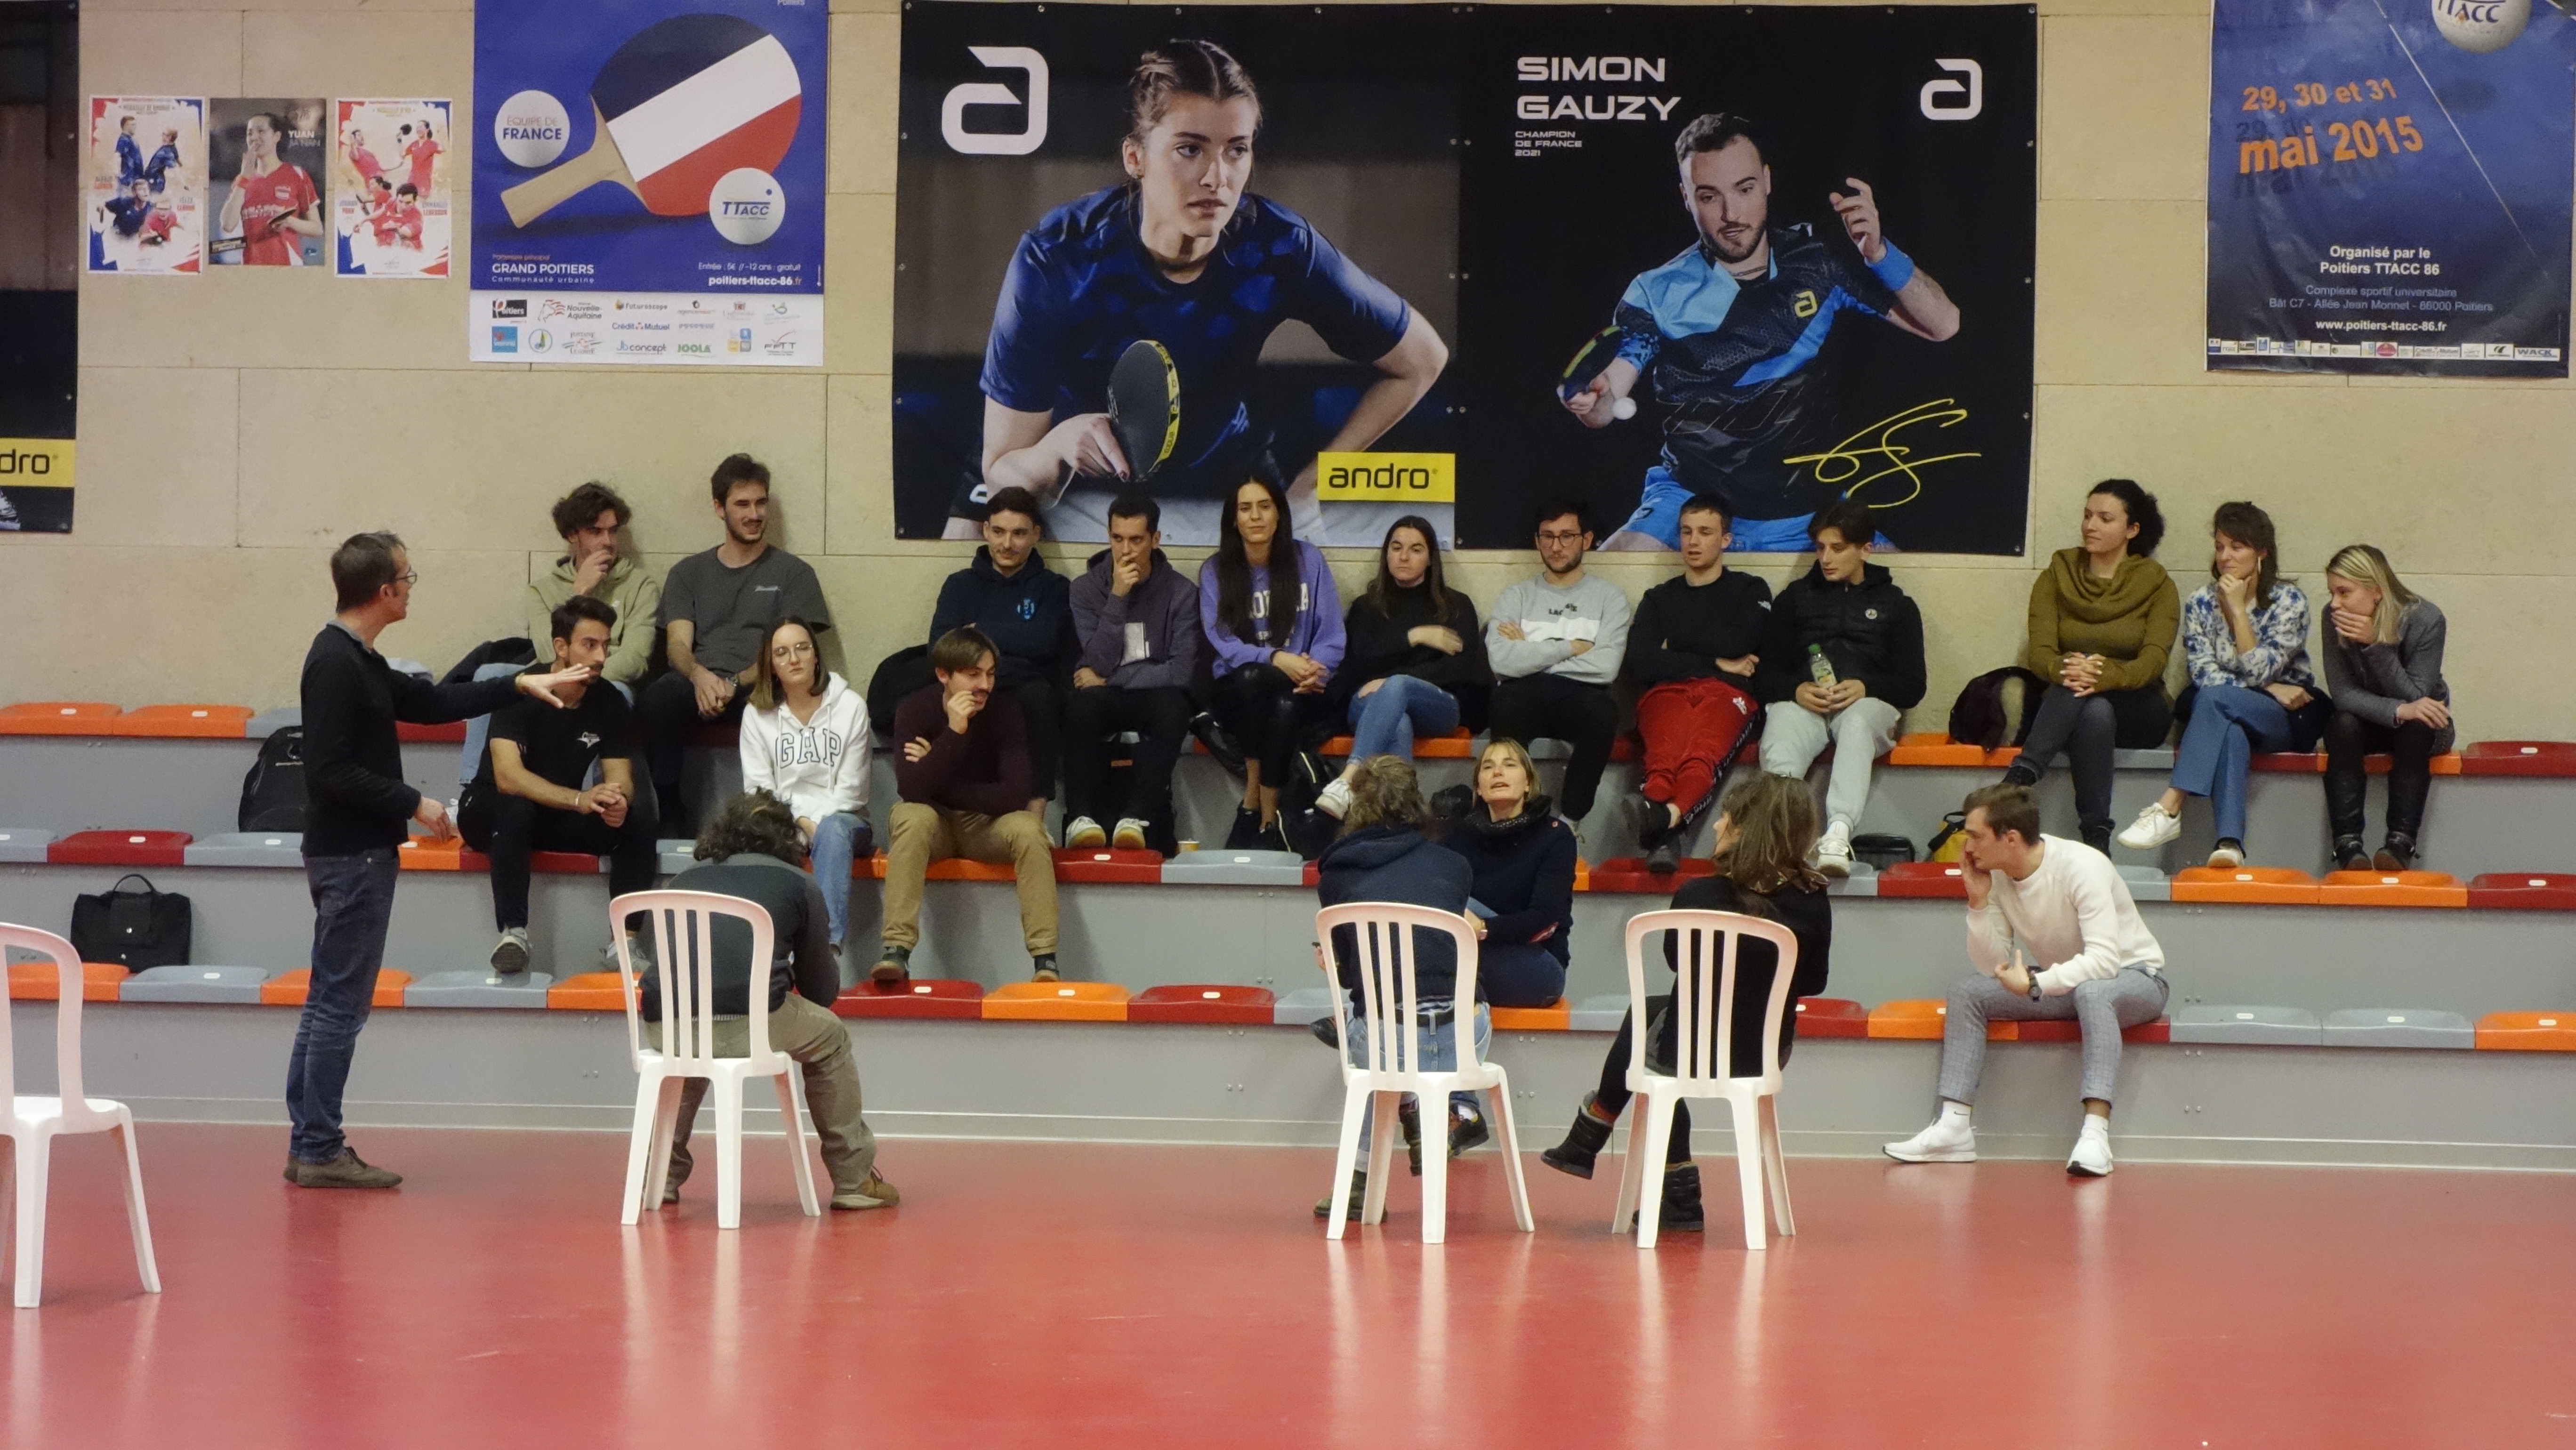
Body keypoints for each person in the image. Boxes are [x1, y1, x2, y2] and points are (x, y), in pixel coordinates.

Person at [968, 38, 1447, 545]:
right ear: (1135, 157)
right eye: (1190, 149)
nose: (1218, 177)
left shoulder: (1280, 247)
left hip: (1230, 482)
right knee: (969, 541)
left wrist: (1313, 486)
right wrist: (1058, 447)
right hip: (1080, 486)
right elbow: (1001, 473)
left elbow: (1422, 360)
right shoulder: (1058, 256)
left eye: (1237, 150)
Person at [290, 532, 586, 1188]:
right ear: (384, 590)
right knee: (340, 1006)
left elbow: (432, 702)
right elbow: (328, 770)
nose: (411, 585)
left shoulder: (358, 657)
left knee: (328, 1001)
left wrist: (523, 683)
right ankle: (318, 1148)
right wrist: (415, 802)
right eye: (407, 576)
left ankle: (308, 1141)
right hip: (351, 855)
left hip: (353, 853)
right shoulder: (335, 662)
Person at [1563, 112, 1961, 553]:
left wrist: (1880, 254)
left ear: (1767, 182)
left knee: (1902, 584)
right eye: (1709, 196)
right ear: (1686, 198)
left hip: (1810, 510)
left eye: (1745, 189)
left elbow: (1943, 325)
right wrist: (1593, 401)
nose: (1731, 214)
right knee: (1612, 576)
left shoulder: (1819, 263)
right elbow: (1605, 405)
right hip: (1691, 506)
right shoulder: (1656, 291)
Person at [1539, 772, 1832, 1232]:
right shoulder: (1813, 900)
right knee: (1650, 1016)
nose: (1715, 826)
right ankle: (1605, 1144)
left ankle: (1602, 1134)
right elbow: (1813, 982)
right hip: (1764, 1052)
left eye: (1725, 818)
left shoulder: (1699, 895)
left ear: (1744, 829)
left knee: (1648, 1035)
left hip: (1686, 1050)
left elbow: (1679, 962)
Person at [1884, 783, 2168, 1177]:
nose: (1967, 847)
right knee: (1968, 992)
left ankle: (2095, 1135)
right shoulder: (1998, 876)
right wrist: (1978, 902)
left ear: (2011, 839)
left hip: (2136, 977)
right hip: (2070, 984)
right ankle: (1953, 1128)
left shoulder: (2082, 866)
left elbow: (2105, 962)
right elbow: (1993, 966)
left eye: (1976, 836)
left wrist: (2036, 984)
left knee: (2093, 993)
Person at [650, 790, 896, 1212]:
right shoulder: (797, 883)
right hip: (752, 1021)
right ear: (787, 838)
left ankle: (661, 1177)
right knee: (831, 1036)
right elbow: (822, 993)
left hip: (665, 1026)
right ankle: (854, 1179)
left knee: (695, 1037)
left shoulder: (683, 879)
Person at [1312, 756, 1488, 1220]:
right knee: (1396, 1046)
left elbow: (1350, 977)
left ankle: (1361, 1177)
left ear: (1356, 804)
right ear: (1417, 801)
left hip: (1387, 1036)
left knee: (1377, 1047)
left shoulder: (1337, 872)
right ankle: (1441, 1114)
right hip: (1462, 1033)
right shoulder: (1454, 865)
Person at [2116, 502, 2328, 868]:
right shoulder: (2201, 602)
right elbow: (2204, 674)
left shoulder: (2288, 602)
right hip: (2241, 707)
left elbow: (2260, 669)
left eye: (2237, 547)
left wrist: (2238, 612)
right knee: (2228, 725)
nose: (2225, 557)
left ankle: (2170, 805)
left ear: (2262, 552)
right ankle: (2230, 844)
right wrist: (2269, 688)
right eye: (2220, 547)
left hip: (2281, 718)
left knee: (2217, 701)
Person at [458, 596, 661, 976]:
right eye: (590, 645)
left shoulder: (610, 701)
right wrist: (579, 798)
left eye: (606, 645)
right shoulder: (523, 690)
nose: (601, 656)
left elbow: (621, 777)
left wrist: (616, 801)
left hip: (556, 813)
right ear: (561, 647)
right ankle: (514, 934)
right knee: (516, 809)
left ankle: (623, 943)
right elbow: (508, 777)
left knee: (638, 820)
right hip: (490, 807)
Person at [644, 454, 832, 838]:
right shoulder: (688, 573)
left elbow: (795, 652)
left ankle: (777, 821)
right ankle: (670, 809)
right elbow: (677, 644)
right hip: (700, 684)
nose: (754, 514)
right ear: (720, 508)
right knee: (660, 697)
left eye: (761, 503)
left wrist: (733, 682)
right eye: (742, 504)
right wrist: (699, 676)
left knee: (789, 694)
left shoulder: (794, 573)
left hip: (762, 683)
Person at [1998, 480, 2179, 853]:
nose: (2090, 526)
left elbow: (2153, 660)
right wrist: (2067, 667)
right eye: (2087, 516)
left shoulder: (2157, 584)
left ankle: (2019, 779)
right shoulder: (2058, 573)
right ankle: (2097, 838)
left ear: (2132, 530)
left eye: (2105, 519)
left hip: (2139, 706)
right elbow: (2041, 653)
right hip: (2069, 702)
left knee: (2090, 698)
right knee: (2094, 710)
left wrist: (2105, 674)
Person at [876, 627, 1061, 985]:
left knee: (1029, 828)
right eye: (973, 674)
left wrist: (936, 770)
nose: (985, 685)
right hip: (936, 824)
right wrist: (955, 733)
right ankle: (896, 950)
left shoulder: (1006, 711)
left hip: (987, 826)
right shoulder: (914, 709)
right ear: (943, 675)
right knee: (911, 816)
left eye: (990, 674)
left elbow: (1014, 795)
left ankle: (1045, 959)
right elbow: (911, 789)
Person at [1752, 498, 1924, 875]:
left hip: (1867, 705)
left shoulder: (1897, 605)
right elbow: (1765, 676)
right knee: (1781, 726)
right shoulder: (1794, 599)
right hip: (1807, 704)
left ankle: (1838, 834)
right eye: (1820, 548)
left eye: (1838, 548)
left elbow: (1913, 686)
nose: (1826, 558)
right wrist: (1796, 690)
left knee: (1859, 722)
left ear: (1866, 549)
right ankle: (1779, 838)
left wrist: (1866, 687)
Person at [1625, 494, 1772, 873]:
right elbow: (1641, 660)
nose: (1693, 542)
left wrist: (1674, 648)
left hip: (1727, 694)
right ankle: (1667, 821)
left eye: (1705, 532)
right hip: (1667, 692)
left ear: (1726, 539)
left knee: (1700, 755)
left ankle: (1661, 821)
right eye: (1686, 532)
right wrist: (1714, 661)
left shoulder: (1751, 589)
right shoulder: (1659, 598)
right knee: (1663, 758)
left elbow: (1743, 641)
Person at [1198, 474, 1345, 850]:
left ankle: (1259, 815)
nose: (1255, 517)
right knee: (1252, 679)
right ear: (1234, 519)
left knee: (1284, 703)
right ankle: (1263, 807)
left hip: (1302, 686)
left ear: (1280, 514)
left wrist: (1314, 670)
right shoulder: (1215, 571)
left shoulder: (1308, 560)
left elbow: (1331, 636)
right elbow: (1225, 644)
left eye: (1265, 507)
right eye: (1245, 509)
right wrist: (1278, 659)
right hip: (1237, 692)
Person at [1316, 517, 1491, 820]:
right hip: (1369, 705)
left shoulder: (1456, 606)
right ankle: (1403, 816)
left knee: (1397, 685)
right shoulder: (1366, 607)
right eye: (1396, 548)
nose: (1404, 557)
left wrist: (1397, 680)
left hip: (1438, 707)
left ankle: (1348, 780)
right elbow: (1357, 662)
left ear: (1431, 558)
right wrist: (1414, 636)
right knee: (1399, 722)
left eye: (1416, 549)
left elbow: (1458, 670)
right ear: (1386, 554)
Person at [1063, 494, 1200, 852]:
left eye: (1136, 540)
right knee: (1079, 706)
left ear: (1155, 540)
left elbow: (1181, 671)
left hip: (1152, 694)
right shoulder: (1085, 589)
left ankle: (1137, 817)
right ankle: (1080, 817)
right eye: (1117, 539)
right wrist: (1118, 597)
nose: (1125, 551)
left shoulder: (1182, 593)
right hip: (1106, 696)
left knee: (1175, 709)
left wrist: (1112, 679)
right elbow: (1098, 660)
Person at [929, 485, 1074, 822]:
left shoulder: (1054, 587)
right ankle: (950, 814)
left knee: (1040, 697)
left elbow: (1045, 642)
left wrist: (979, 630)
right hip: (971, 687)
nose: (1007, 544)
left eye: (1019, 534)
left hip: (1029, 689)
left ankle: (1034, 819)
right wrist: (1016, 641)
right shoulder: (960, 585)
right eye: (999, 532)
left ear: (1036, 534)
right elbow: (940, 646)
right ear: (985, 530)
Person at [1486, 499, 1633, 830]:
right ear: (1537, 541)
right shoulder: (1516, 596)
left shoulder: (1610, 598)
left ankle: (1569, 821)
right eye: (1548, 537)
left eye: (1567, 536)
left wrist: (1529, 651)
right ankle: (1513, 819)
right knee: (1504, 705)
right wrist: (1572, 647)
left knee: (1604, 714)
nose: (1556, 546)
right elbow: (1501, 661)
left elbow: (1606, 666)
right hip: (1522, 693)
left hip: (1582, 696)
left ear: (1587, 540)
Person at [739, 618, 872, 954]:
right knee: (751, 831)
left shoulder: (851, 707)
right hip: (784, 822)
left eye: (802, 648)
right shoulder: (756, 714)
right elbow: (758, 790)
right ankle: (764, 953)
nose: (794, 659)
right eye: (782, 653)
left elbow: (853, 790)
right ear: (771, 665)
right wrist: (801, 823)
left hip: (846, 821)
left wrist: (818, 826)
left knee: (834, 830)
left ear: (816, 656)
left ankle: (824, 948)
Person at [2319, 545, 2451, 871]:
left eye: (2344, 593)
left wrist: (2376, 645)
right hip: (2367, 720)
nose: (2335, 603)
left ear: (2377, 591)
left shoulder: (2426, 619)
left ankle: (2400, 844)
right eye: (2332, 593)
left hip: (2423, 727)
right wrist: (2398, 711)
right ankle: (2347, 844)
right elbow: (2343, 694)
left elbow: (2418, 695)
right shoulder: (2332, 618)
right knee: (2341, 723)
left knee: (2416, 727)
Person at [1439, 740, 1576, 1008]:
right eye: (1488, 767)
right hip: (1468, 952)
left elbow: (1545, 917)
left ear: (1528, 784)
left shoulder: (1555, 836)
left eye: (1509, 765)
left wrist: (1483, 928)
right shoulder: (1457, 836)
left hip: (1536, 968)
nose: (1498, 772)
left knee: (1451, 907)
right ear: (1479, 788)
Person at [527, 481, 661, 688]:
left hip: (608, 683)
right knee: (491, 673)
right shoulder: (542, 591)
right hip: (555, 683)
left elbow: (635, 660)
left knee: (619, 690)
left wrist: (582, 679)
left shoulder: (640, 586)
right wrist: (578, 594)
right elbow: (548, 655)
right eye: (595, 532)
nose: (608, 541)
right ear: (573, 535)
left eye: (613, 531)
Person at [220, 110, 320, 266]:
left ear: (276, 136)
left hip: (287, 266)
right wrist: (244, 177)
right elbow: (227, 225)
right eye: (250, 133)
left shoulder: (297, 175)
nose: (254, 138)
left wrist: (289, 221)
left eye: (261, 131)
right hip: (250, 268)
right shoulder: (241, 181)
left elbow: (317, 229)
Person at [400, 119, 440, 200]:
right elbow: (402, 155)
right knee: (408, 201)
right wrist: (400, 141)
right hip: (412, 180)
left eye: (421, 127)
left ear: (427, 130)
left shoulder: (432, 144)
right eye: (417, 128)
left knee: (422, 203)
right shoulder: (414, 144)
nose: (418, 129)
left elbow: (444, 149)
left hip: (424, 182)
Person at [145, 126, 183, 194]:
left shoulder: (167, 153)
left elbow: (174, 169)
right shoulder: (171, 147)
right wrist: (180, 163)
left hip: (155, 181)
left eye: (164, 134)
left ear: (169, 137)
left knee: (153, 198)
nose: (162, 136)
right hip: (151, 179)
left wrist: (183, 183)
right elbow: (176, 157)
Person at [113, 113, 143, 186]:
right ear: (126, 126)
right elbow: (117, 156)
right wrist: (119, 175)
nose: (135, 127)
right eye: (133, 125)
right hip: (128, 180)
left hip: (133, 179)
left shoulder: (130, 139)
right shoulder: (124, 140)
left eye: (135, 125)